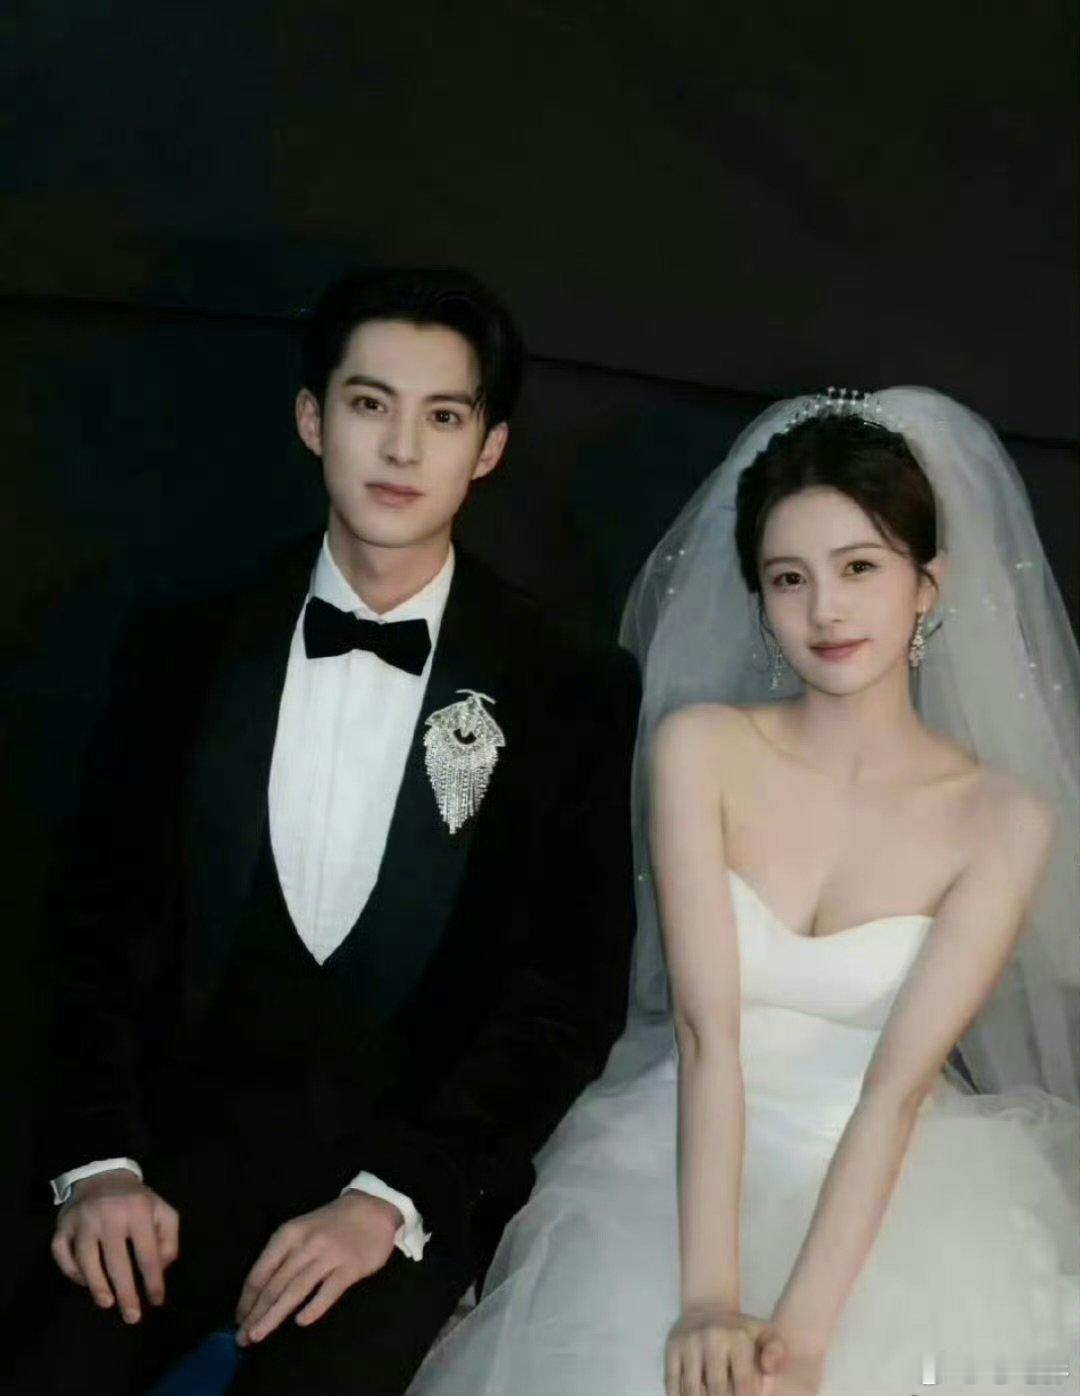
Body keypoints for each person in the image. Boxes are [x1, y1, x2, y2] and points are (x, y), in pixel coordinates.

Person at [4, 267, 640, 1396]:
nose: (400, 447)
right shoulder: (180, 641)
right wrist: (98, 1163)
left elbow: (565, 998)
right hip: (160, 1172)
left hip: (389, 1197)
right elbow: (88, 928)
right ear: (312, 418)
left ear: (488, 447)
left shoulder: (570, 686)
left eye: (442, 416)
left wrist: (391, 1200)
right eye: (368, 403)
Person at [407, 387, 1080, 1396]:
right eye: (788, 578)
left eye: (860, 567)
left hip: (896, 1179)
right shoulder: (703, 750)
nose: (826, 610)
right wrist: (710, 1299)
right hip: (680, 1153)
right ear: (758, 598)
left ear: (927, 585)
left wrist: (801, 1335)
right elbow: (703, 1034)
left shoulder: (1004, 818)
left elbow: (896, 1088)